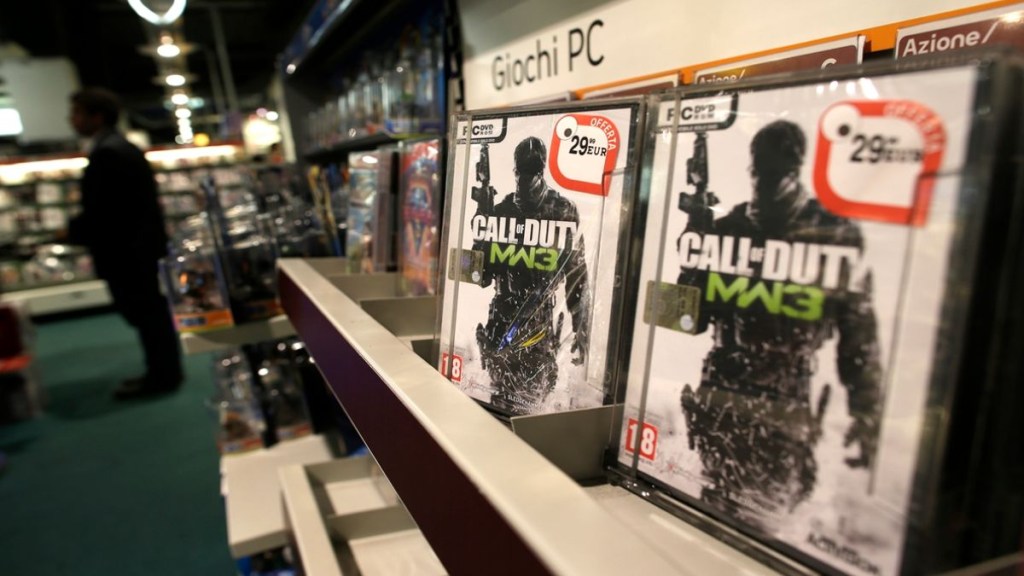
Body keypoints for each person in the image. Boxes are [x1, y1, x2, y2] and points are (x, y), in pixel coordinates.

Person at [676, 120, 882, 530]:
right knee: (710, 514)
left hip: (783, 402)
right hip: (724, 397)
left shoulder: (832, 234)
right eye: (758, 172)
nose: (763, 184)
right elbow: (687, 319)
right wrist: (696, 232)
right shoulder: (729, 227)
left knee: (765, 525)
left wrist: (865, 412)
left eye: (774, 174)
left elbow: (859, 336)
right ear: (751, 170)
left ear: (794, 171)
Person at [66, 87, 184, 399]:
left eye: (77, 113)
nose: (71, 120)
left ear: (97, 116)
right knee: (149, 315)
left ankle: (162, 376)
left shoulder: (109, 152)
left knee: (147, 315)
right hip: (136, 250)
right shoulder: (116, 147)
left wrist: (72, 232)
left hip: (128, 253)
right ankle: (160, 373)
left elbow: (106, 212)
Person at [473, 136, 590, 415]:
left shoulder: (562, 210)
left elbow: (577, 274)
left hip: (539, 327)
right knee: (499, 405)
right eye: (521, 172)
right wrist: (481, 223)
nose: (525, 180)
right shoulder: (502, 210)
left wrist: (581, 326)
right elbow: (481, 276)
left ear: (541, 171)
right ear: (515, 171)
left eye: (532, 172)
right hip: (502, 323)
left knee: (531, 407)